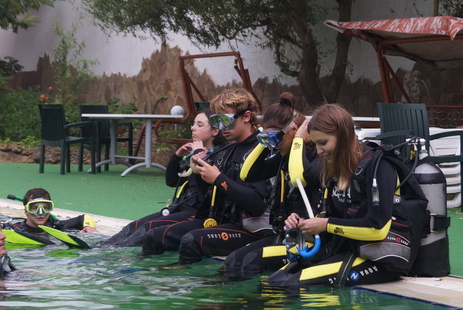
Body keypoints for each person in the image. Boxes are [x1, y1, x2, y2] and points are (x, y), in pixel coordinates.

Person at [265, 103, 428, 288]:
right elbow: (334, 217)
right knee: (274, 282)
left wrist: (325, 225)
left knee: (294, 285)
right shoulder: (334, 168)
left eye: (323, 143)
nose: (318, 151)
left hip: (381, 256)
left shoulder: (379, 166)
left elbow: (377, 228)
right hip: (351, 247)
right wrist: (304, 223)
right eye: (316, 143)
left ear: (343, 137)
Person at [141, 88, 269, 263]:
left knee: (192, 241)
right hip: (222, 221)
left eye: (226, 120)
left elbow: (257, 204)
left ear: (246, 117)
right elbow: (209, 198)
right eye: (217, 121)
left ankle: (193, 280)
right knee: (155, 235)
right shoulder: (227, 151)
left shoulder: (262, 150)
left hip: (250, 229)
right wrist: (197, 173)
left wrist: (218, 179)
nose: (221, 127)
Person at [222, 93, 316, 279]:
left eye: (274, 138)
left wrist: (298, 140)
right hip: (284, 234)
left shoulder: (314, 157)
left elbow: (298, 177)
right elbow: (247, 174)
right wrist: (264, 142)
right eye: (265, 137)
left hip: (310, 239)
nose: (272, 144)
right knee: (233, 261)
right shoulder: (282, 157)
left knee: (252, 262)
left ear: (293, 130)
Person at [101, 110, 225, 248]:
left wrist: (199, 157)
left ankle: (113, 253)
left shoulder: (220, 157)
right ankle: (100, 247)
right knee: (134, 226)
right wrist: (177, 156)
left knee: (148, 229)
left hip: (197, 212)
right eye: (193, 124)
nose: (193, 128)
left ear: (215, 131)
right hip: (181, 207)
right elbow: (172, 181)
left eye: (199, 125)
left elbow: (210, 193)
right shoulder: (196, 154)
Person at [6, 187, 97, 237]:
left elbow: (85, 218)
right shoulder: (14, 229)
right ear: (26, 211)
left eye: (45, 208)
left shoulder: (57, 227)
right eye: (34, 208)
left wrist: (88, 227)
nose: (40, 213)